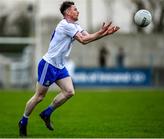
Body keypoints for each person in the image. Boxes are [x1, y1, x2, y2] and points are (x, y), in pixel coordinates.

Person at [18, 1, 120, 137]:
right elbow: (84, 40)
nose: (78, 11)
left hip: (59, 66)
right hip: (48, 65)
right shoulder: (65, 25)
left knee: (70, 91)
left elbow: (88, 37)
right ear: (67, 12)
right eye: (75, 9)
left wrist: (104, 33)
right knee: (39, 97)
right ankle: (23, 121)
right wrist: (102, 33)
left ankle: (46, 113)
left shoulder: (75, 26)